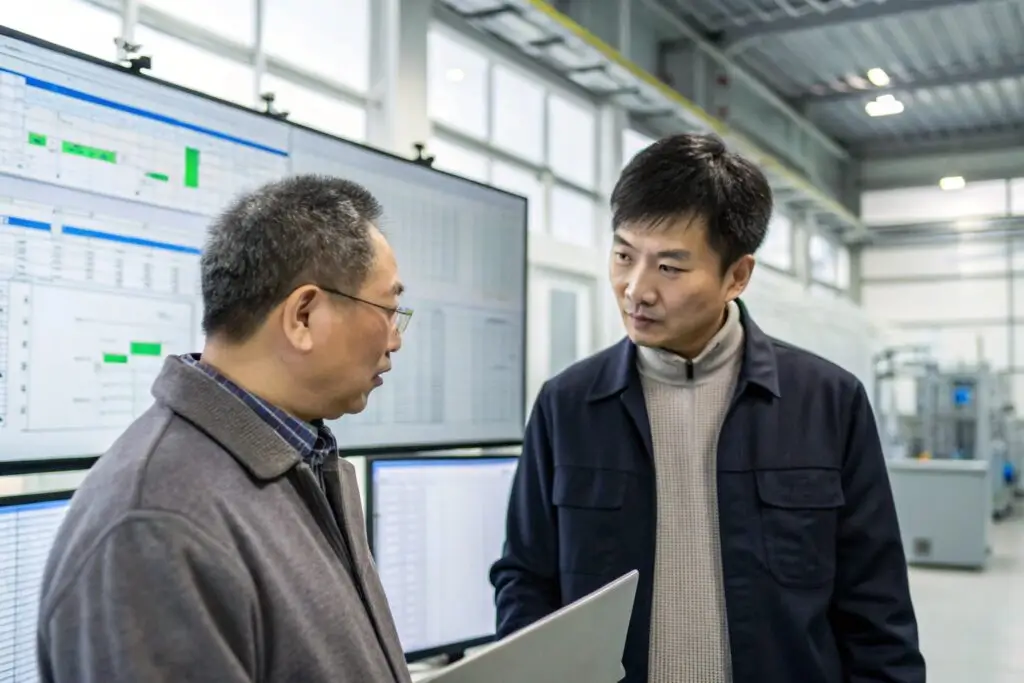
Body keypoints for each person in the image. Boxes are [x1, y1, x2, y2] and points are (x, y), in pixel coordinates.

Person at [490, 134, 926, 683]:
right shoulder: (569, 404)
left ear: (736, 276)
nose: (636, 290)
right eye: (624, 255)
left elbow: (876, 608)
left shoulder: (827, 403)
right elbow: (525, 579)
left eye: (670, 268)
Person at [37, 175, 414, 683]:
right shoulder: (155, 526)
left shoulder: (293, 462)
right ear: (304, 315)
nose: (394, 340)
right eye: (388, 311)